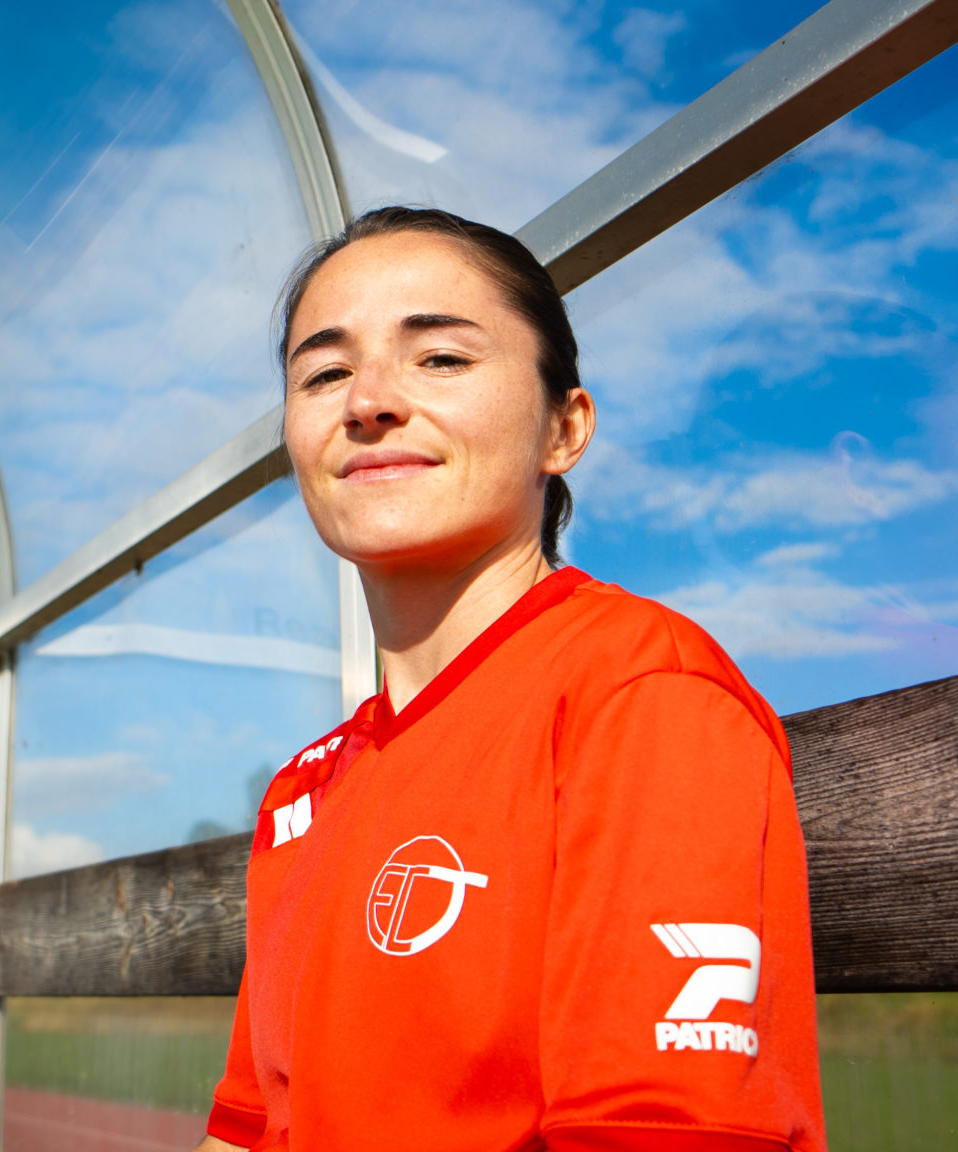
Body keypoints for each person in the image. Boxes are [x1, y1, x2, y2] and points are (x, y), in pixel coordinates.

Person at [195, 207, 826, 1151]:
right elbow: (248, 1130)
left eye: (440, 358)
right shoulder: (306, 787)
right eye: (324, 372)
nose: (367, 401)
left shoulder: (638, 691)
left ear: (563, 429)